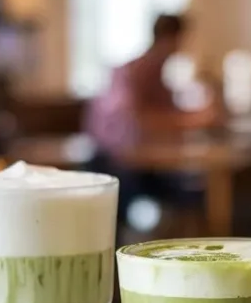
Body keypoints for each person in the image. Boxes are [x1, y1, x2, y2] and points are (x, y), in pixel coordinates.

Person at [85, 13, 221, 225]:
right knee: (196, 194)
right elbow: (143, 120)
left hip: (128, 164)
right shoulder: (139, 70)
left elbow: (165, 115)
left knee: (198, 190)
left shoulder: (152, 70)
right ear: (173, 38)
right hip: (119, 168)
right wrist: (197, 119)